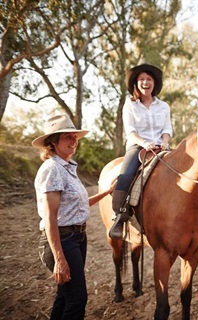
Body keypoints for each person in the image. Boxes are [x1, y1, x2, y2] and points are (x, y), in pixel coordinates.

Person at [33, 114, 116, 319]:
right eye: (67, 137)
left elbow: (78, 205)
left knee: (65, 296)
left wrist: (107, 192)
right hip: (62, 240)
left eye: (75, 136)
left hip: (77, 237)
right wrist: (60, 259)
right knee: (77, 299)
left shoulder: (67, 167)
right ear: (53, 142)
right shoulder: (52, 170)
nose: (74, 141)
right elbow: (50, 218)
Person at [109, 63, 172, 239]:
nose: (145, 82)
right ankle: (119, 216)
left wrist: (165, 143)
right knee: (126, 175)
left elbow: (167, 129)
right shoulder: (130, 105)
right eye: (142, 79)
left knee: (188, 167)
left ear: (154, 83)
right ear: (136, 84)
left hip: (162, 146)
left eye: (149, 79)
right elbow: (131, 131)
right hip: (138, 146)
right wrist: (145, 143)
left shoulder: (163, 106)